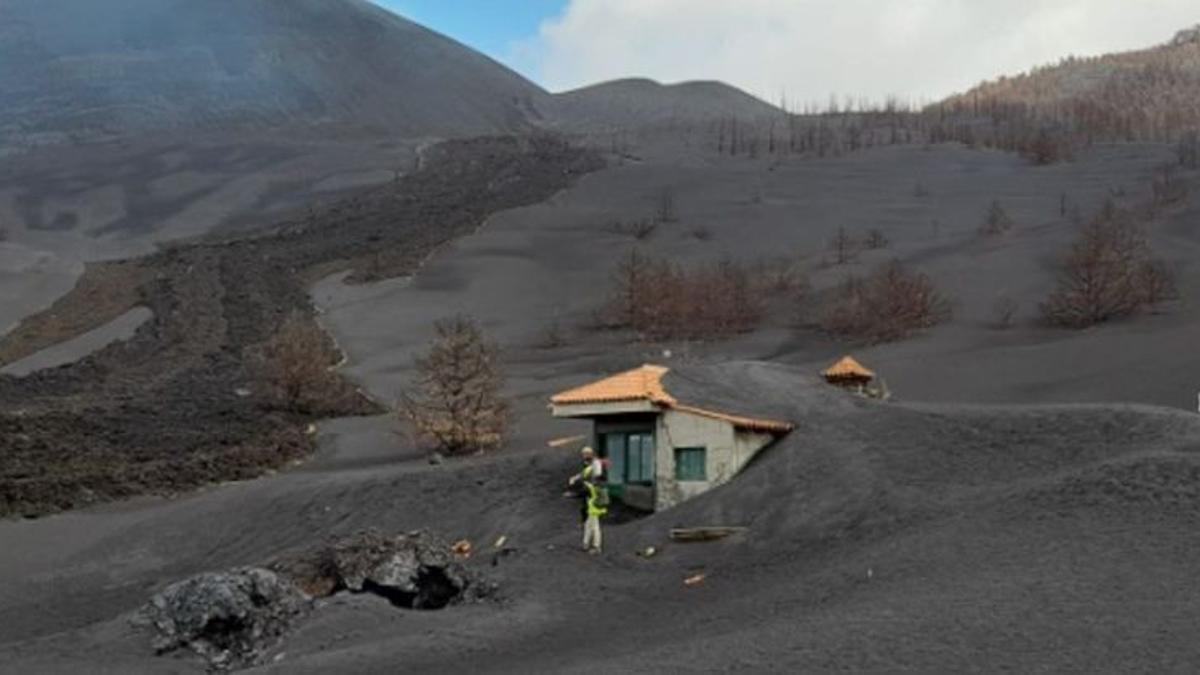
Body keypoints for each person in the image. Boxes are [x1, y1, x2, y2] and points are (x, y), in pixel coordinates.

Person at [582, 475, 607, 554]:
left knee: (594, 528)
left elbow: (590, 488)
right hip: (594, 510)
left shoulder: (596, 489)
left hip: (594, 511)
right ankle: (586, 543)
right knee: (588, 526)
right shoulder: (601, 489)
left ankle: (596, 547)